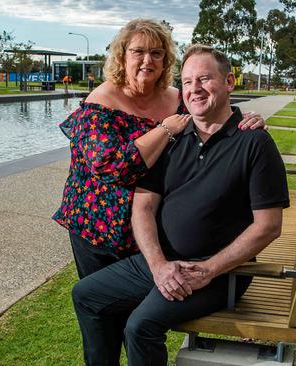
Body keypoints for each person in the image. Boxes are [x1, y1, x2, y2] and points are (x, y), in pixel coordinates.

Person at [71, 44, 290, 366]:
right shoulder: (172, 139)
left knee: (141, 326)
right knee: (86, 294)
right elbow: (143, 207)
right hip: (160, 263)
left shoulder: (254, 143)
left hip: (217, 273)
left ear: (229, 82)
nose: (194, 89)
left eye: (204, 79)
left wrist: (206, 270)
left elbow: (268, 226)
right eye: (187, 82)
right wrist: (158, 265)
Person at [53, 19, 264, 280]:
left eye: (156, 53)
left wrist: (245, 118)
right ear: (122, 56)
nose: (147, 60)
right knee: (101, 306)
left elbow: (212, 119)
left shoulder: (178, 100)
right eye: (138, 51)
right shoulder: (101, 103)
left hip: (152, 230)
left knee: (150, 309)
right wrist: (164, 129)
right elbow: (113, 168)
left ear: (165, 60)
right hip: (98, 228)